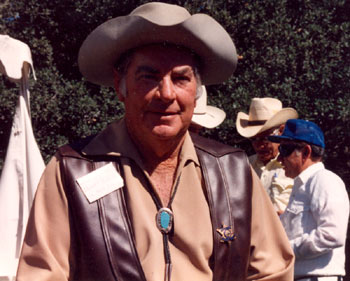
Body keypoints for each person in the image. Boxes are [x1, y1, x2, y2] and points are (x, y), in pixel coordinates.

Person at [16, 3, 294, 281]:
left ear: (196, 92)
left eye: (181, 78)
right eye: (149, 77)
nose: (166, 93)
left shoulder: (233, 171)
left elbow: (273, 272)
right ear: (119, 85)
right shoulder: (72, 169)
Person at [269, 119, 349, 281]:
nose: (279, 159)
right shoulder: (302, 186)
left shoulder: (325, 180)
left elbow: (332, 235)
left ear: (306, 152)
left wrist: (287, 250)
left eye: (284, 149)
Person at [236, 97, 298, 213]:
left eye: (265, 139)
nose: (259, 146)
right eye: (254, 139)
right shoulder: (246, 165)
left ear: (281, 131)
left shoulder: (296, 166)